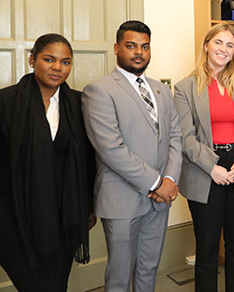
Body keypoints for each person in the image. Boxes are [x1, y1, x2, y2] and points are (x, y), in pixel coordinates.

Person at [82, 20, 182, 292]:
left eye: (145, 46)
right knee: (119, 275)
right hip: (123, 200)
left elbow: (175, 137)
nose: (139, 52)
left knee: (149, 269)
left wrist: (170, 179)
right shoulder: (99, 90)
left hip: (159, 201)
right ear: (117, 48)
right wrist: (158, 183)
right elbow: (110, 149)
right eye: (131, 46)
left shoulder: (160, 89)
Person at [174, 23, 234, 292]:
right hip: (204, 172)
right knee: (207, 247)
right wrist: (211, 166)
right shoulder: (185, 88)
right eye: (218, 43)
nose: (223, 50)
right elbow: (185, 137)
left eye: (230, 45)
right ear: (206, 45)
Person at [0, 33, 96, 291]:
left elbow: (88, 160)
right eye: (49, 59)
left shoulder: (78, 103)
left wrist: (88, 206)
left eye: (65, 62)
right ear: (32, 60)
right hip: (14, 213)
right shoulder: (6, 102)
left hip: (64, 215)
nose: (57, 67)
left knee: (56, 284)